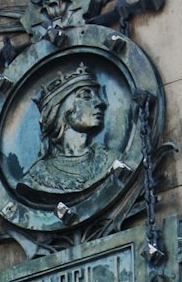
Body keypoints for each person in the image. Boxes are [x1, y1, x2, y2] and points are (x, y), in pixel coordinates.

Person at [20, 61, 114, 197]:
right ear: (61, 109)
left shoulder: (111, 160)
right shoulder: (33, 180)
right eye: (86, 96)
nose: (100, 103)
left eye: (97, 96)